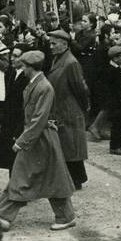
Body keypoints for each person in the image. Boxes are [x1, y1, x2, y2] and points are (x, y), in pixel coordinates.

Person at [0, 50, 77, 231]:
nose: (21, 69)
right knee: (50, 178)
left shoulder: (44, 87)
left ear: (30, 68)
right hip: (39, 140)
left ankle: (2, 216)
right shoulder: (35, 84)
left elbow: (38, 119)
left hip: (40, 140)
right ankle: (65, 216)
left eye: (23, 66)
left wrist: (21, 141)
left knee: (23, 176)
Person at [45, 30, 90, 189]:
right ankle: (73, 178)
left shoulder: (71, 63)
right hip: (61, 108)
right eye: (50, 43)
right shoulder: (58, 59)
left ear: (64, 44)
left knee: (71, 147)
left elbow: (80, 88)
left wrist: (83, 107)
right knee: (67, 146)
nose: (51, 46)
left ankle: (76, 180)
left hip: (70, 109)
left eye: (54, 43)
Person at [0, 48, 28, 174]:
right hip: (9, 118)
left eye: (16, 56)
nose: (12, 58)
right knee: (9, 157)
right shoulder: (12, 72)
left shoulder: (27, 76)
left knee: (17, 156)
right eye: (12, 55)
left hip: (18, 119)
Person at [98, 45, 121, 156]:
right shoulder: (111, 70)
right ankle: (114, 146)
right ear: (115, 58)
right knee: (117, 124)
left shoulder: (118, 68)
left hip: (120, 100)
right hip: (115, 101)